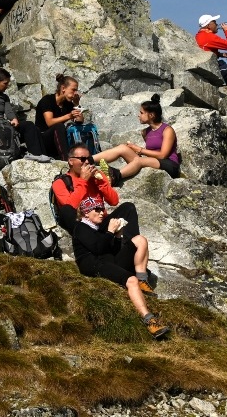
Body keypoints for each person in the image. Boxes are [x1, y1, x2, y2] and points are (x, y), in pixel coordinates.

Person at [71, 194, 168, 339]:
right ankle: (150, 321)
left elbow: (110, 250)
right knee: (130, 280)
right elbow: (98, 249)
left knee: (140, 240)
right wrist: (110, 232)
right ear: (86, 212)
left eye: (101, 209)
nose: (101, 212)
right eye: (96, 209)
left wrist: (117, 236)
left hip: (107, 261)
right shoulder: (81, 227)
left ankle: (142, 279)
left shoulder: (96, 228)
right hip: (94, 265)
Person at [0, 68, 51, 163]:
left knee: (29, 125)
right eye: (5, 83)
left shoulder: (4, 97)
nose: (7, 86)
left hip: (4, 125)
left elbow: (9, 111)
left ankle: (38, 154)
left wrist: (14, 119)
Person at [93, 94, 179, 185]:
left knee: (139, 160)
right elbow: (150, 152)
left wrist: (140, 150)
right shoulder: (145, 132)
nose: (139, 115)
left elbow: (162, 155)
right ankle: (87, 159)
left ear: (151, 115)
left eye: (142, 113)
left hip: (170, 165)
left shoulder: (167, 130)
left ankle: (115, 177)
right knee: (122, 147)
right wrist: (136, 151)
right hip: (152, 162)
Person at [36, 74, 82, 158]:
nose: (75, 93)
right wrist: (69, 116)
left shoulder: (67, 104)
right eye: (73, 90)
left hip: (57, 139)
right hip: (43, 139)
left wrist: (76, 104)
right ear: (63, 88)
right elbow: (49, 122)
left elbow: (80, 121)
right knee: (59, 127)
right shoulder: (47, 100)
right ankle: (65, 159)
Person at [195, 14, 227, 86]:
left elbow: (206, 50)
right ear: (209, 25)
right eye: (214, 22)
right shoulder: (208, 37)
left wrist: (220, 54)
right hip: (215, 71)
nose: (217, 24)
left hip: (210, 69)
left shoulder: (200, 35)